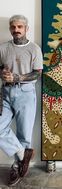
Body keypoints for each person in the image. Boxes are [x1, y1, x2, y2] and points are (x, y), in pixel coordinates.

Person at [0, 15, 43, 186]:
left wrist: (17, 77)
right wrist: (3, 74)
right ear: (10, 29)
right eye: (13, 27)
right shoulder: (3, 48)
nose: (16, 30)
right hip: (5, 93)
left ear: (26, 29)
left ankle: (16, 167)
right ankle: (21, 152)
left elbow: (37, 73)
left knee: (24, 133)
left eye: (20, 27)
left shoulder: (34, 49)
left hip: (26, 93)